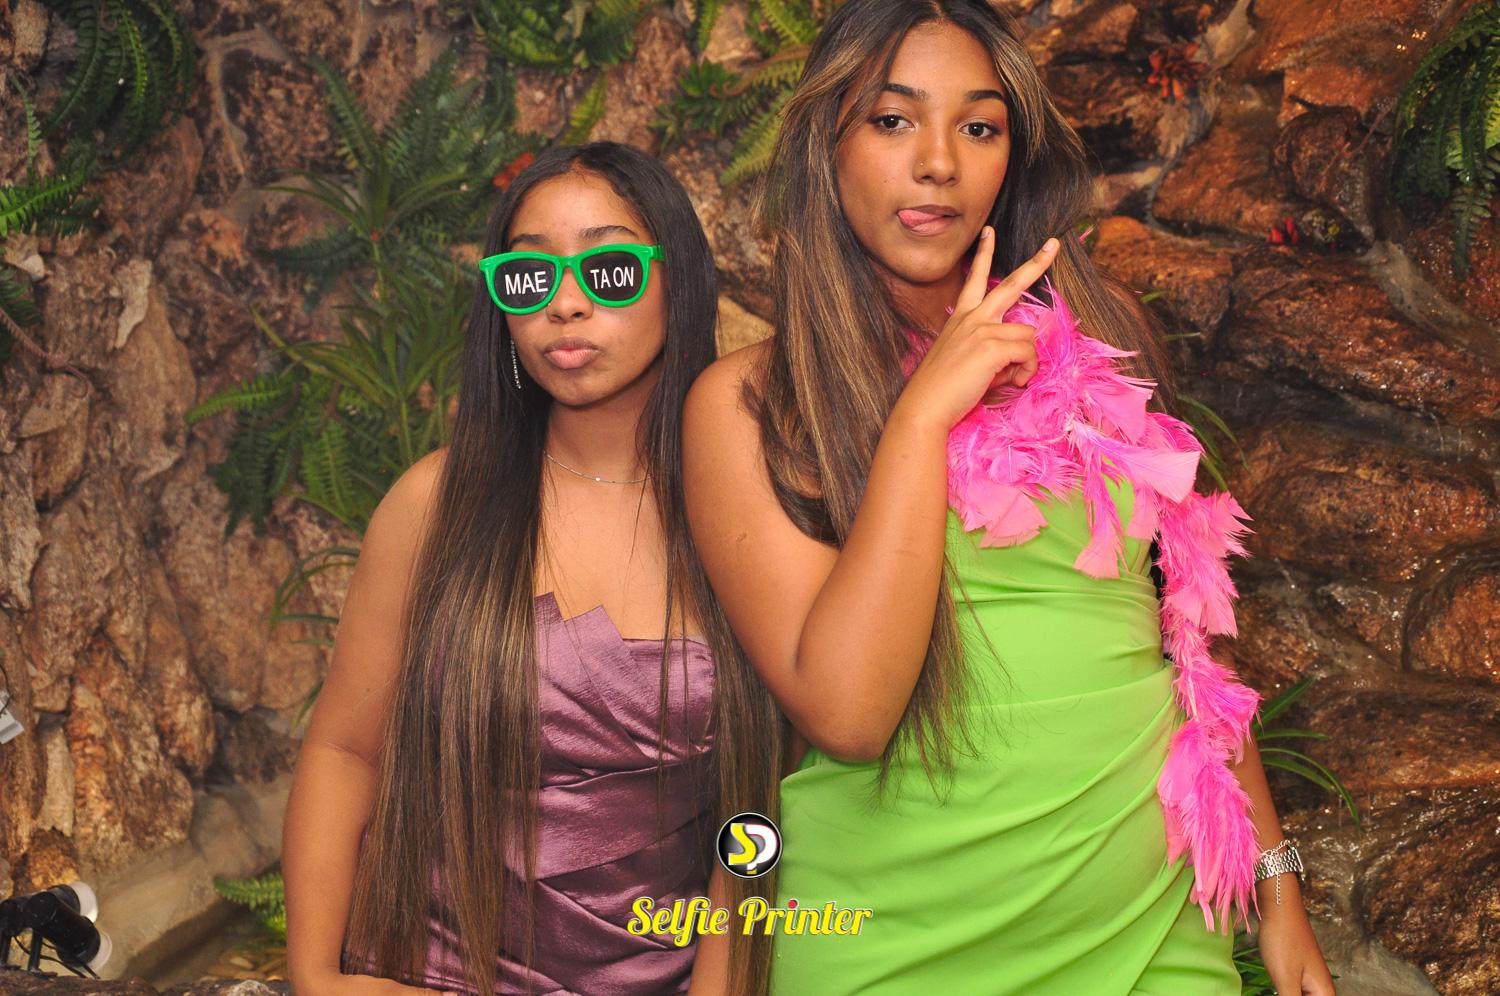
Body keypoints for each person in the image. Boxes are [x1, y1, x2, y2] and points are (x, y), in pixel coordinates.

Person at [682, 2, 1336, 993]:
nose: (939, 162)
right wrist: (920, 421)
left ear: (1011, 159)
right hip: (896, 945)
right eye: (893, 119)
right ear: (826, 144)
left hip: (1153, 937)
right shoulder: (752, 404)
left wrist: (1279, 890)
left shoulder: (1102, 343)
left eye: (979, 126)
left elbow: (1191, 645)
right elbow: (848, 713)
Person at [283, 141, 724, 995]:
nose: (565, 303)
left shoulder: (737, 515)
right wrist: (317, 978)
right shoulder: (436, 505)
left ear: (678, 280)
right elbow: (344, 750)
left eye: (609, 270)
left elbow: (764, 819)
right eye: (528, 277)